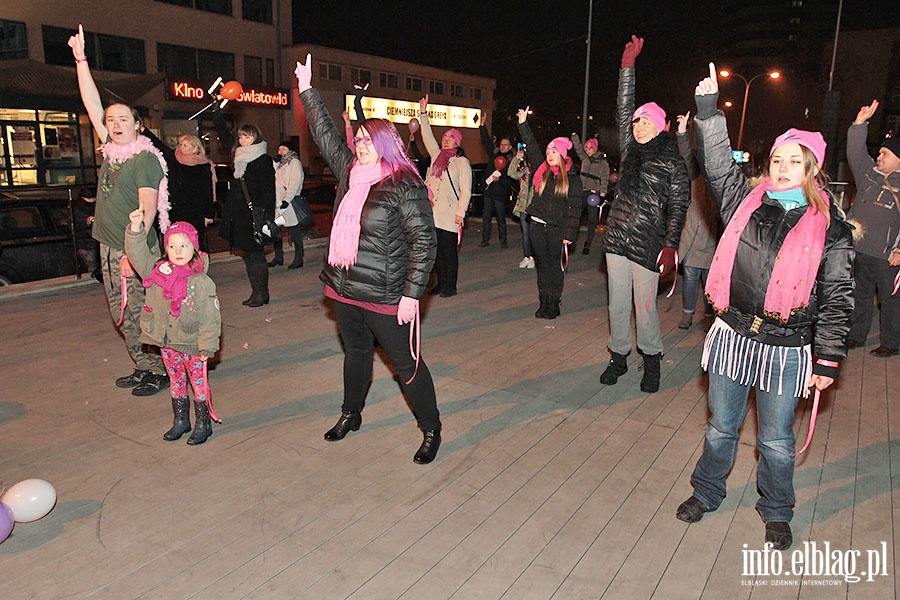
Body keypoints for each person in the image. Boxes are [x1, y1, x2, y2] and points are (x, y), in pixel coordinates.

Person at [675, 63, 855, 551]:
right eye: (777, 158)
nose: (781, 167)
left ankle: (776, 510)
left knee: (776, 441)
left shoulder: (831, 228)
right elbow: (716, 166)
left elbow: (838, 298)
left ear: (811, 169)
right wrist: (709, 111)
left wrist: (828, 360)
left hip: (786, 345)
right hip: (733, 336)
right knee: (720, 427)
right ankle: (707, 492)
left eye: (794, 161)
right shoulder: (745, 203)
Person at [295, 55, 442, 464]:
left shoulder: (404, 183)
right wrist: (308, 90)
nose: (358, 145)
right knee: (356, 354)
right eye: (356, 139)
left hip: (387, 294)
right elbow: (325, 136)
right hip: (345, 287)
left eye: (366, 140)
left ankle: (431, 428)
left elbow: (424, 244)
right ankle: (350, 413)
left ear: (384, 144)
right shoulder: (349, 173)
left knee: (405, 365)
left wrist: (412, 296)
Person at [69, 24, 170, 396]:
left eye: (122, 119)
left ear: (138, 125)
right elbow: (91, 104)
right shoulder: (111, 151)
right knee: (121, 311)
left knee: (141, 309)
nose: (113, 124)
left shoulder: (143, 159)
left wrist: (135, 255)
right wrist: (81, 59)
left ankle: (160, 370)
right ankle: (142, 366)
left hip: (132, 248)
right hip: (108, 245)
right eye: (110, 120)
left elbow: (146, 209)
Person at [599, 35, 689, 393]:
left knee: (646, 308)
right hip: (617, 240)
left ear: (660, 126)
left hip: (649, 245)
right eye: (636, 123)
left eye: (645, 122)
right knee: (617, 305)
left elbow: (679, 206)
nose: (638, 127)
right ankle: (618, 356)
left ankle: (651, 360)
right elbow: (623, 108)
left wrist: (670, 246)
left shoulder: (672, 159)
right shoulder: (629, 150)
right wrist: (627, 67)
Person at [125, 213, 221, 445]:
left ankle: (203, 423)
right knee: (176, 380)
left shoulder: (200, 281)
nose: (177, 251)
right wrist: (136, 228)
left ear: (194, 249)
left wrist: (208, 346)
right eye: (172, 245)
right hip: (167, 343)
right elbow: (137, 255)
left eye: (184, 245)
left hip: (192, 343)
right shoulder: (158, 272)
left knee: (198, 384)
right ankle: (181, 420)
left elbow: (211, 317)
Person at [517, 106, 584, 319]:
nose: (550, 154)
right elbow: (533, 148)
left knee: (556, 267)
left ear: (563, 155)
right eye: (549, 152)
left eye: (554, 151)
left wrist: (569, 235)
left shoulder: (572, 179)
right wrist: (523, 124)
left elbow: (575, 208)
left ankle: (554, 302)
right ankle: (543, 301)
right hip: (538, 225)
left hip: (558, 230)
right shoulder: (541, 171)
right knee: (542, 266)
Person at [845, 100, 900, 357]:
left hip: (888, 255)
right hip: (860, 249)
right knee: (859, 294)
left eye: (885, 154)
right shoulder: (868, 174)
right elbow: (855, 152)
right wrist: (859, 125)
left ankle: (890, 342)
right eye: (879, 153)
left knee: (891, 300)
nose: (879, 156)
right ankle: (856, 334)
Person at [215, 114, 275, 308]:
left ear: (255, 138)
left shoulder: (263, 159)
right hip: (240, 213)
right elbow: (225, 136)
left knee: (256, 255)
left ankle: (261, 293)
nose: (243, 140)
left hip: (254, 214)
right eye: (241, 137)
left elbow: (268, 191)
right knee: (248, 255)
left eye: (247, 137)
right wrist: (217, 112)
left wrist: (266, 217)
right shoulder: (239, 157)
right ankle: (255, 291)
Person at [419, 93, 472, 298]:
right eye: (444, 139)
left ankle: (451, 285)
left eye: (450, 139)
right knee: (437, 251)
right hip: (433, 213)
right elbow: (427, 137)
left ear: (457, 143)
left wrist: (461, 212)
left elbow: (466, 190)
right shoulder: (436, 156)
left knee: (449, 253)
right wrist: (424, 114)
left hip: (450, 215)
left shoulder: (461, 162)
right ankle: (440, 282)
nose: (446, 141)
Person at [674, 112, 720, 329]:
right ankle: (687, 314)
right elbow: (685, 155)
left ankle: (710, 316)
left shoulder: (722, 181)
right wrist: (683, 132)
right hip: (692, 240)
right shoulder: (696, 178)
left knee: (710, 284)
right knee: (690, 280)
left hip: (712, 243)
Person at [144, 131, 216, 254]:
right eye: (181, 144)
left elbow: (207, 191)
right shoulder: (174, 158)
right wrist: (144, 131)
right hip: (175, 209)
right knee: (175, 240)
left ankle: (197, 267)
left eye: (185, 145)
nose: (181, 147)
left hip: (195, 210)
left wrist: (208, 214)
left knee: (194, 241)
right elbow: (159, 144)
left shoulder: (203, 165)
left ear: (195, 148)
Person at [570, 133, 610, 255]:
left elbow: (605, 178)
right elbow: (578, 148)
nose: (587, 151)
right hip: (581, 191)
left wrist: (603, 194)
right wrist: (575, 137)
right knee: (575, 216)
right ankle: (571, 241)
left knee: (592, 219)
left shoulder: (602, 162)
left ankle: (588, 243)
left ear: (595, 148)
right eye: (586, 148)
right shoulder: (584, 158)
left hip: (593, 194)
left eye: (590, 148)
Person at [479, 123, 516, 248]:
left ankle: (503, 240)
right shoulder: (494, 155)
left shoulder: (511, 161)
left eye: (505, 145)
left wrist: (500, 179)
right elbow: (486, 143)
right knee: (486, 216)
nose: (503, 146)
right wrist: (482, 127)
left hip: (500, 193)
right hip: (489, 191)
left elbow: (511, 180)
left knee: (501, 217)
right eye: (501, 144)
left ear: (510, 146)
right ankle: (485, 239)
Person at [271, 140, 306, 269]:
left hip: (289, 201)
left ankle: (299, 257)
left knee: (294, 230)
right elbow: (275, 177)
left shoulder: (294, 162)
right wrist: (275, 163)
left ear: (290, 150)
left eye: (284, 149)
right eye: (279, 149)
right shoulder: (281, 164)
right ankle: (278, 256)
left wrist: (287, 199)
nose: (281, 152)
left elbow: (294, 182)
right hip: (279, 200)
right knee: (276, 230)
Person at [508, 150, 535, 269]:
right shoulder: (524, 174)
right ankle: (526, 256)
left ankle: (533, 257)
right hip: (524, 207)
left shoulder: (540, 174)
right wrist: (516, 159)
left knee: (533, 233)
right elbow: (511, 173)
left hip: (534, 208)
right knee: (525, 233)